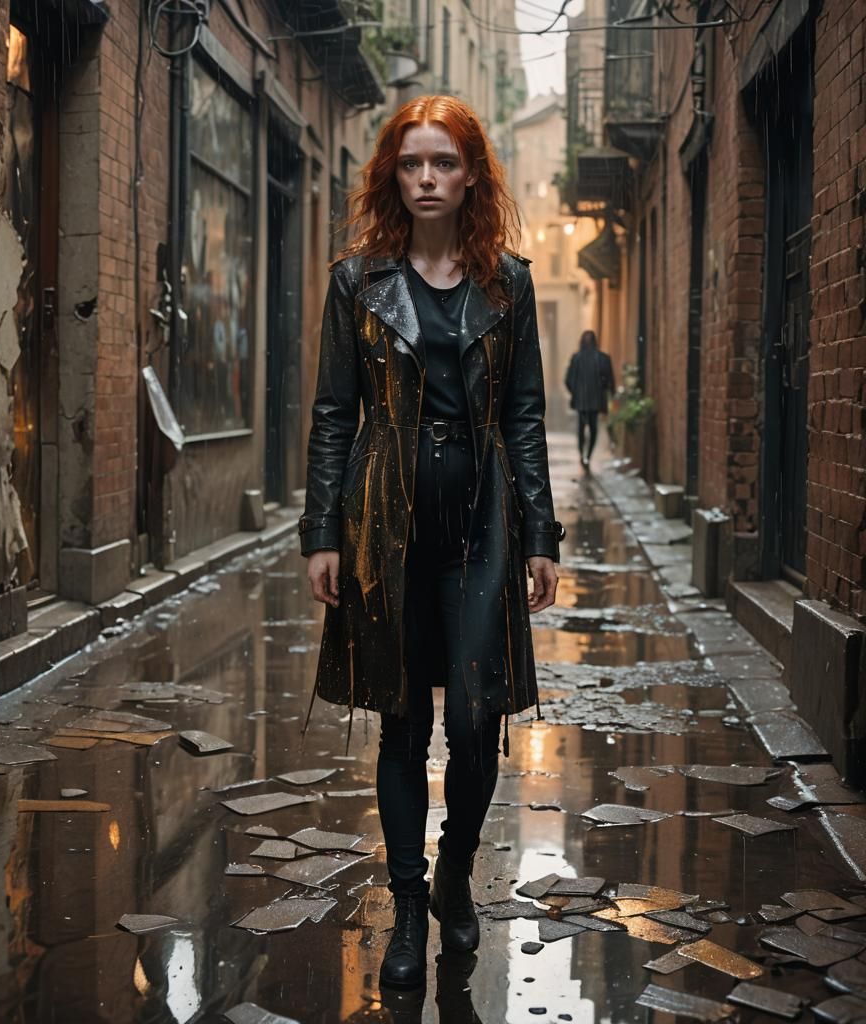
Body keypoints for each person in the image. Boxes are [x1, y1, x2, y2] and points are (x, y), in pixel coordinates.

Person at [298, 95, 563, 991]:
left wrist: (542, 534)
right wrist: (321, 532)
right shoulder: (358, 284)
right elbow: (335, 414)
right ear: (391, 174)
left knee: (480, 717)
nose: (425, 179)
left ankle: (457, 869)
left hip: (483, 523)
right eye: (410, 164)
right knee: (403, 718)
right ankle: (409, 907)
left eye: (442, 163)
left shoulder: (510, 285)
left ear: (470, 175)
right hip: (387, 519)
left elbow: (525, 414)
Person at [564, 329, 615, 469]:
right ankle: (588, 456)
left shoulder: (577, 358)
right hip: (596, 401)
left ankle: (583, 455)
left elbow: (568, 380)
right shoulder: (603, 358)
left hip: (581, 401)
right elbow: (610, 382)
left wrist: (576, 393)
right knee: (593, 429)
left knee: (581, 429)